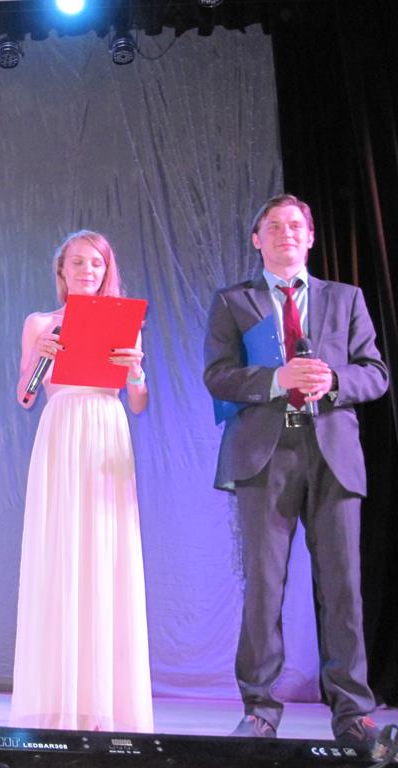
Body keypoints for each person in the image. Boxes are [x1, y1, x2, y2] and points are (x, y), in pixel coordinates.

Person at [203, 194, 388, 750]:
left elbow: (375, 373)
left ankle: (353, 713)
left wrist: (334, 380)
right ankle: (259, 710)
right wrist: (275, 380)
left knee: (343, 588)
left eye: (295, 225)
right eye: (273, 226)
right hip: (265, 454)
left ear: (309, 238)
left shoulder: (346, 298)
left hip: (333, 453)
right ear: (256, 240)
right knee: (263, 587)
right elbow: (217, 375)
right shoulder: (232, 301)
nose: (285, 233)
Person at [10, 230, 153, 733]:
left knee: (104, 556)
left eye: (96, 263)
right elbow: (25, 397)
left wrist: (136, 372)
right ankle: (57, 702)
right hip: (61, 431)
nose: (86, 270)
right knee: (61, 554)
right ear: (61, 270)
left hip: (105, 432)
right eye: (77, 262)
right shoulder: (40, 322)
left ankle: (104, 703)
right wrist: (39, 357)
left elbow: (139, 402)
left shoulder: (124, 322)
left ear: (106, 270)